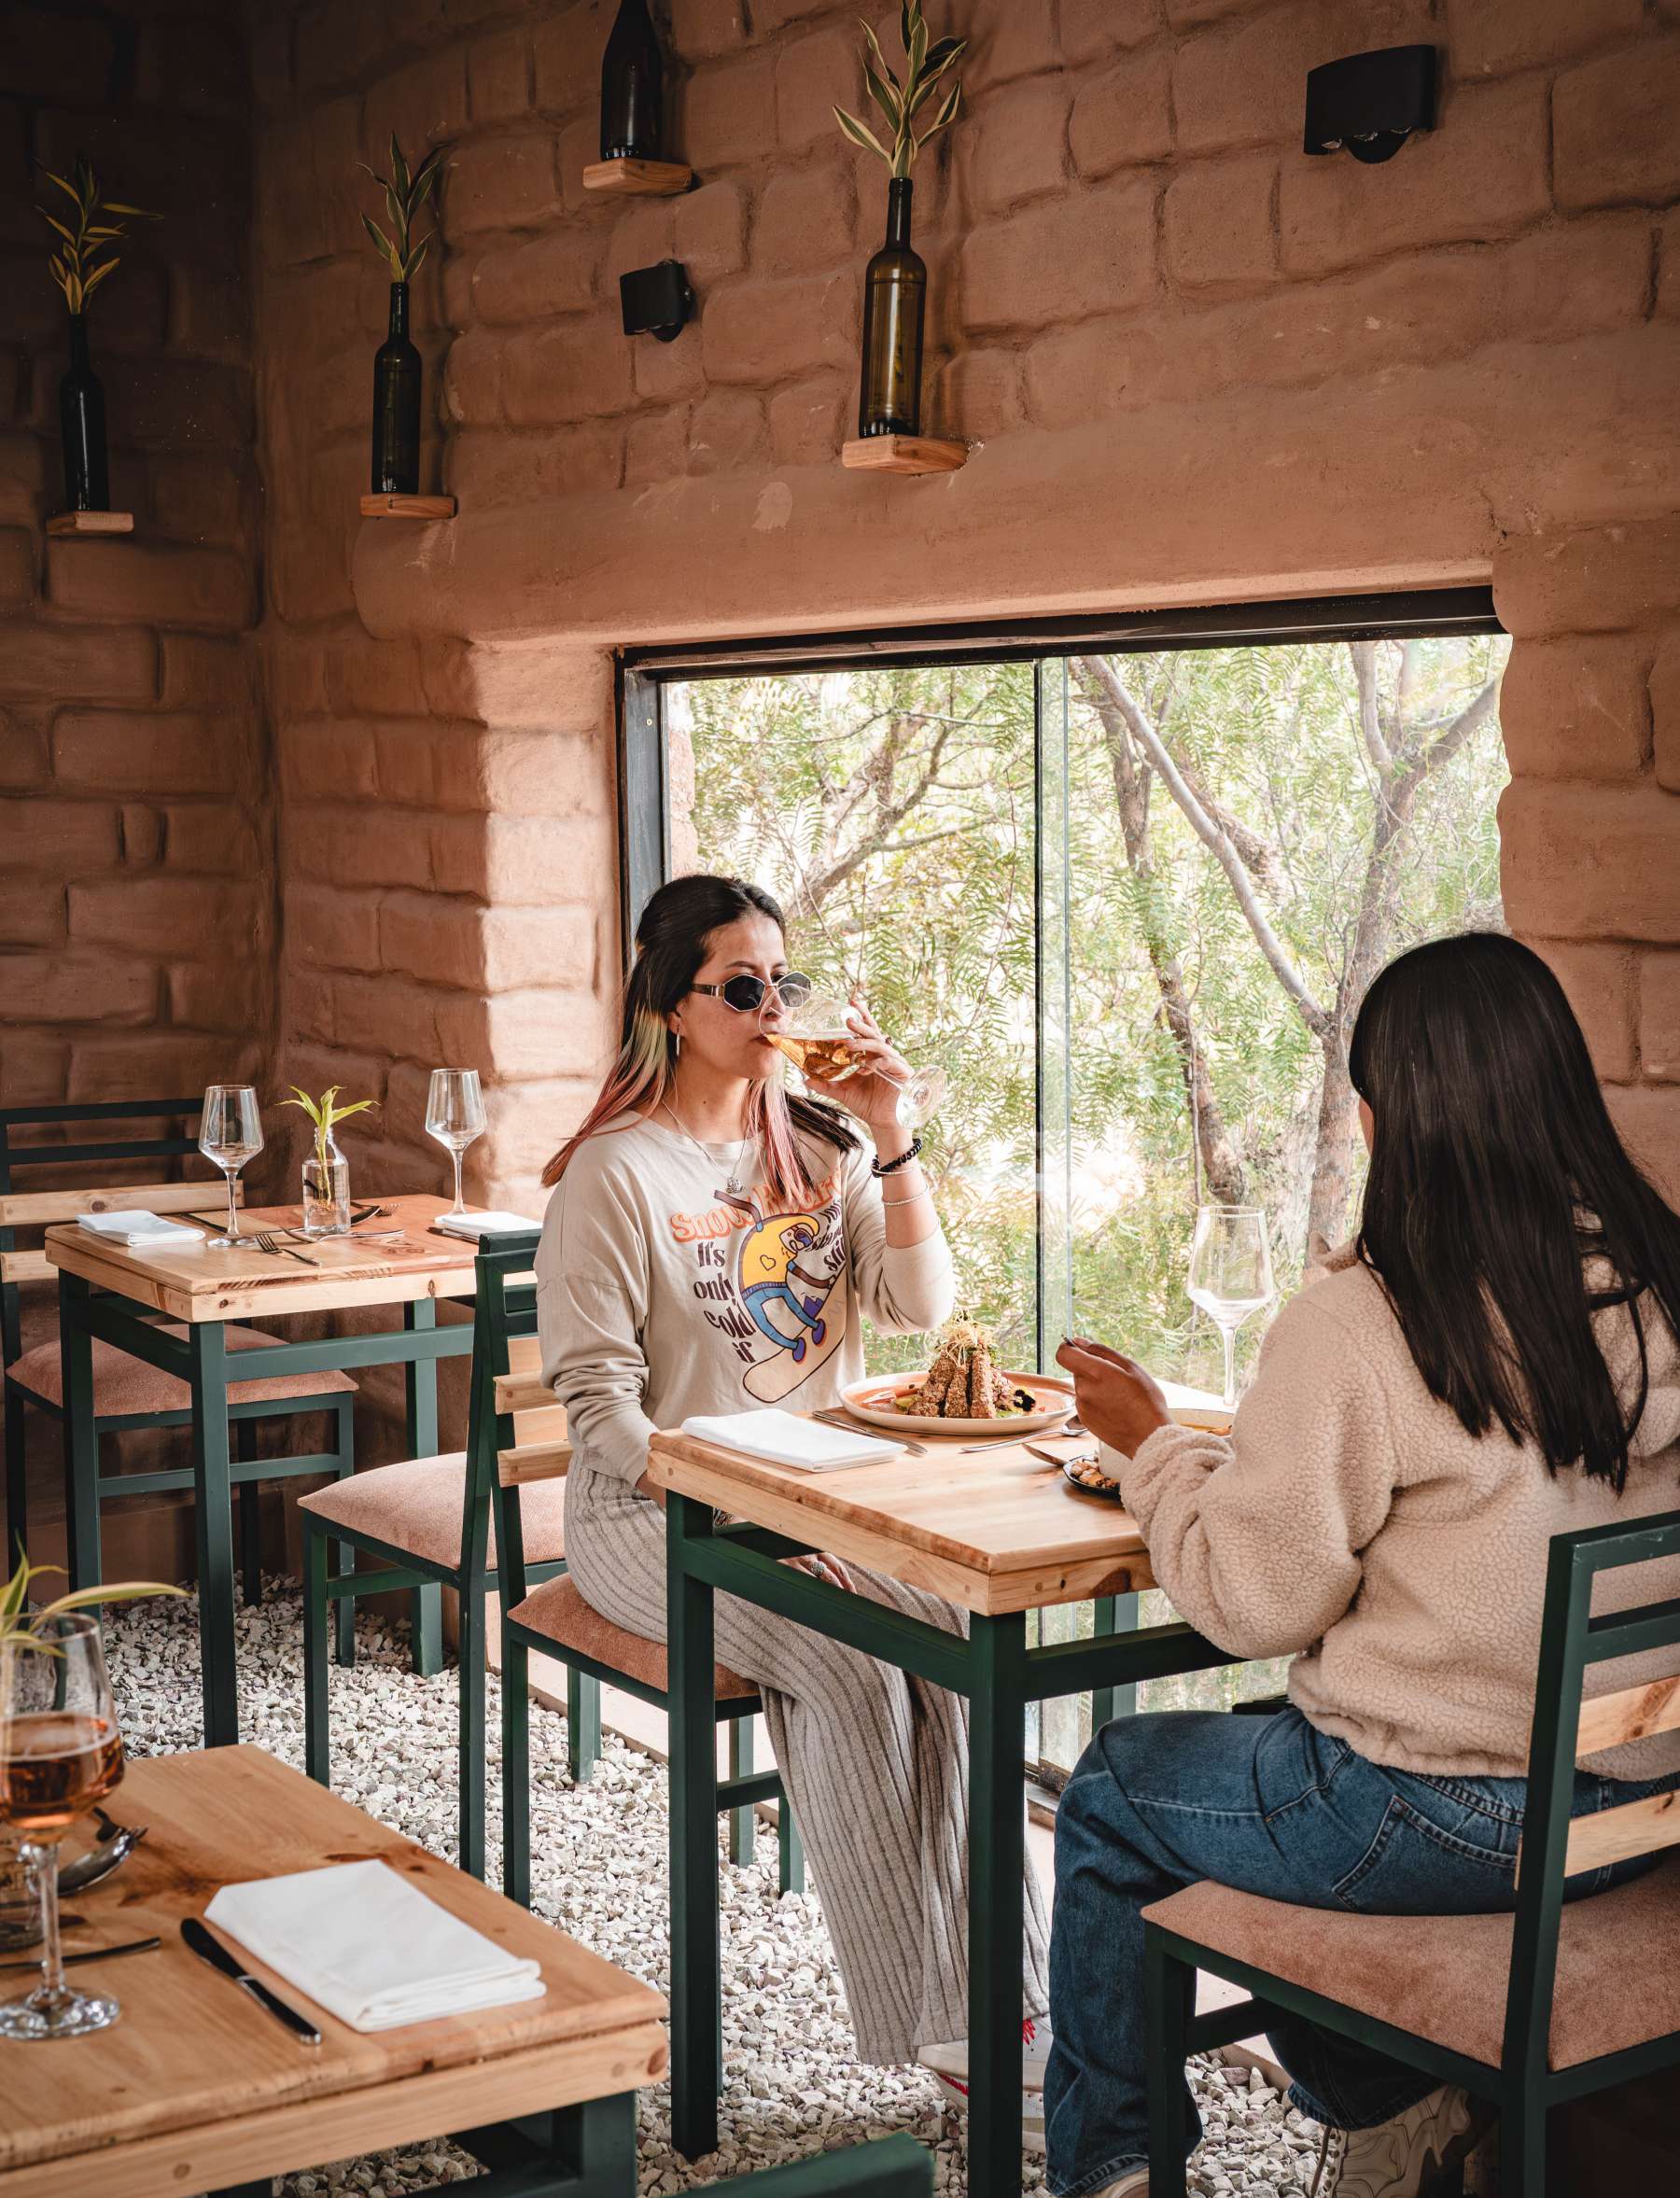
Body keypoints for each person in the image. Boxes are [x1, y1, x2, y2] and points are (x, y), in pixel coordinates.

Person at [1046, 933, 1680, 2198]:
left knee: (1119, 1786)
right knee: (1266, 1760)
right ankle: (1388, 2103)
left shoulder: (1371, 1317)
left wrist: (1153, 1450)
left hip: (1441, 1813)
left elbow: (1254, 1601)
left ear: (1388, 1113)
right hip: (1638, 1798)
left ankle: (1118, 2166)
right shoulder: (1657, 1279)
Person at [535, 873, 1052, 2122]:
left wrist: (896, 1131)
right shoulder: (613, 1174)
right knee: (859, 1666)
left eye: (784, 980)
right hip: (651, 1520)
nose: (772, 1004)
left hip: (824, 1511)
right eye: (741, 985)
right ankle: (947, 2029)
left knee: (956, 1645)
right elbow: (598, 1406)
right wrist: (720, 1480)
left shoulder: (823, 1143)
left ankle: (1015, 1998)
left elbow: (923, 1314)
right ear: (668, 1003)